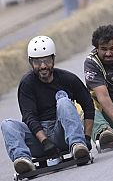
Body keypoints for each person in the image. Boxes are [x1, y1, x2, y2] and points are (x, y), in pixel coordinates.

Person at [0, 36, 94, 175]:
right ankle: (22, 160)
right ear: (31, 62)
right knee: (7, 124)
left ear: (53, 60)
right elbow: (29, 116)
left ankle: (77, 145)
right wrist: (45, 141)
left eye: (47, 61)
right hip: (39, 140)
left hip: (62, 132)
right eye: (37, 62)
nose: (43, 66)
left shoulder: (68, 79)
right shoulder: (27, 84)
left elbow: (88, 105)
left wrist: (86, 137)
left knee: (62, 100)